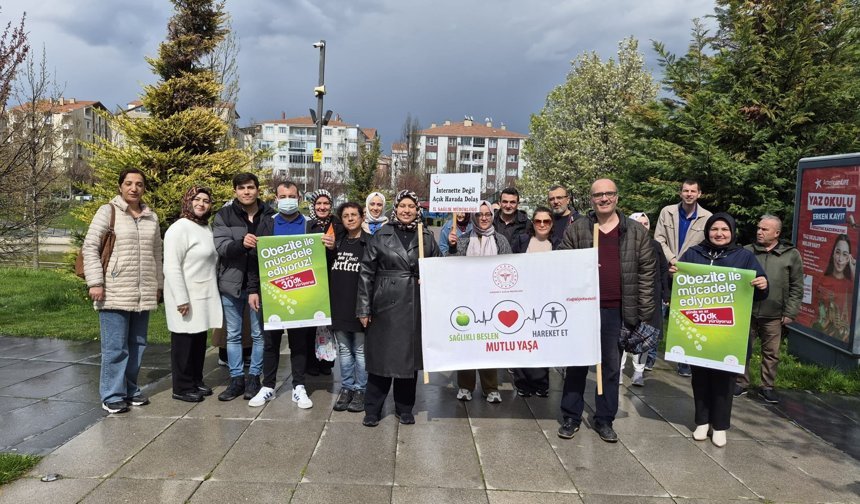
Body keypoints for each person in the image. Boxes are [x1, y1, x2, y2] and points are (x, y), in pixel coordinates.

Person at [557, 179, 655, 442]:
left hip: (617, 310)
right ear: (591, 199)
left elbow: (646, 273)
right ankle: (570, 415)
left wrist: (642, 314)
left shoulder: (635, 232)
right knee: (577, 365)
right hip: (582, 309)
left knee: (611, 367)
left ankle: (604, 419)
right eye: (598, 194)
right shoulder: (578, 229)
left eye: (608, 194)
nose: (604, 199)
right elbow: (562, 265)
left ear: (616, 197)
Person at [672, 213, 768, 447]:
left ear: (732, 232)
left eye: (724, 229)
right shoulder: (694, 253)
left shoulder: (744, 257)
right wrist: (673, 275)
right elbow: (677, 285)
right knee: (700, 378)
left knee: (725, 380)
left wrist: (763, 284)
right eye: (714, 229)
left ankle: (721, 425)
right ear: (707, 231)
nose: (719, 233)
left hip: (729, 331)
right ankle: (702, 421)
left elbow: (760, 288)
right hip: (699, 327)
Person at [357, 190, 440, 426]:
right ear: (395, 208)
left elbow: (438, 266)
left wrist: (430, 277)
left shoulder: (426, 237)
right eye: (402, 205)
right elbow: (366, 273)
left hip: (413, 304)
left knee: (408, 361)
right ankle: (372, 409)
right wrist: (364, 308)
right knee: (381, 361)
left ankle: (405, 408)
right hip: (385, 305)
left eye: (411, 206)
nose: (406, 210)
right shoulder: (382, 235)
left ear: (417, 209)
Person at [83, 168, 162, 414]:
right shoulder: (108, 212)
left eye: (139, 184)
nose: (134, 188)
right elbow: (90, 247)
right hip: (114, 290)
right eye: (128, 183)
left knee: (137, 344)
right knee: (115, 347)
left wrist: (158, 285)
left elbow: (157, 254)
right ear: (120, 187)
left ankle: (130, 389)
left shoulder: (152, 217)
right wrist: (96, 282)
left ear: (144, 188)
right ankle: (112, 394)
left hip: (143, 292)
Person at [247, 181, 315, 408]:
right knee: (270, 343)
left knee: (299, 343)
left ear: (300, 198)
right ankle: (268, 386)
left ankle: (299, 386)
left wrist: (329, 246)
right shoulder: (266, 223)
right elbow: (256, 260)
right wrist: (253, 290)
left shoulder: (310, 224)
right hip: (272, 293)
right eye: (283, 196)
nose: (288, 199)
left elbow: (318, 260)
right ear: (276, 199)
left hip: (301, 293)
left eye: (292, 195)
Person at [213, 172, 273, 402]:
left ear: (258, 189)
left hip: (261, 284)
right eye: (241, 188)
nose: (246, 192)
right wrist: (241, 244)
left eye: (250, 187)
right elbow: (222, 247)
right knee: (234, 334)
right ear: (235, 191)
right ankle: (236, 378)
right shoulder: (225, 215)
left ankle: (254, 377)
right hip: (232, 283)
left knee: (259, 334)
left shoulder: (270, 214)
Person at [163, 186, 222, 403]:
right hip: (186, 295)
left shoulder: (205, 227)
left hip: (203, 294)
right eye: (197, 199)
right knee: (183, 343)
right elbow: (171, 266)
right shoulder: (179, 228)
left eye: (206, 200)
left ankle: (196, 380)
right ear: (188, 201)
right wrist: (181, 298)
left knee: (198, 340)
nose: (201, 204)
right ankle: (181, 386)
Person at [736, 215, 803, 403]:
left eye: (765, 229)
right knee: (743, 348)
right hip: (747, 311)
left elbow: (797, 286)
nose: (759, 232)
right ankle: (741, 382)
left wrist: (790, 312)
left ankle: (767, 386)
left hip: (774, 312)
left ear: (777, 233)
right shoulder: (747, 251)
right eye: (759, 228)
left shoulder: (791, 254)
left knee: (771, 353)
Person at [451, 201, 511, 404]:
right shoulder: (463, 240)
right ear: (474, 217)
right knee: (466, 344)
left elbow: (509, 267)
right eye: (479, 214)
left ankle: (490, 388)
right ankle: (465, 386)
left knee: (489, 344)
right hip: (466, 300)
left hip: (492, 302)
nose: (483, 218)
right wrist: (451, 249)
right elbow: (451, 267)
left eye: (487, 214)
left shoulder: (500, 240)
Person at [654, 179, 712, 377]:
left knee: (687, 319)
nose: (689, 194)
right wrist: (672, 259)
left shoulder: (707, 217)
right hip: (666, 268)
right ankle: (649, 359)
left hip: (689, 274)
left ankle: (685, 362)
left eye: (693, 191)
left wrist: (684, 265)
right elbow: (659, 239)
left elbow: (706, 245)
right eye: (685, 191)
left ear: (699, 194)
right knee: (658, 314)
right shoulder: (667, 212)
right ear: (680, 193)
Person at [329, 202, 369, 412]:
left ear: (362, 217)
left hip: (360, 308)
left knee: (361, 352)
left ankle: (361, 389)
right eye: (346, 216)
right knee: (344, 351)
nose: (350, 219)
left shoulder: (369, 243)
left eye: (354, 215)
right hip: (339, 306)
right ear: (341, 220)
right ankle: (347, 388)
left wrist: (368, 308)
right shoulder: (336, 243)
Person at [509, 206, 554, 395]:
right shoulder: (522, 241)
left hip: (546, 299)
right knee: (521, 341)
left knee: (542, 343)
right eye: (538, 221)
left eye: (546, 221)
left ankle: (541, 383)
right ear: (533, 223)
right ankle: (522, 383)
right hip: (522, 299)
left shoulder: (558, 244)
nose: (542, 224)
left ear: (551, 224)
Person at [621, 212, 669, 386]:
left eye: (646, 223)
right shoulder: (623, 243)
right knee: (622, 335)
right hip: (626, 296)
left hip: (650, 298)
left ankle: (638, 372)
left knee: (645, 335)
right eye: (638, 223)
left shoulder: (655, 245)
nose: (643, 227)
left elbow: (663, 270)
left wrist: (665, 293)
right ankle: (618, 371)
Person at [303, 189, 340, 376]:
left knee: (327, 323)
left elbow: (342, 250)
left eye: (326, 203)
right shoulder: (307, 226)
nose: (322, 207)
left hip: (332, 280)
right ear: (313, 206)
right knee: (311, 324)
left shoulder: (338, 225)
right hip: (312, 282)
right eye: (319, 204)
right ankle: (311, 361)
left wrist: (334, 247)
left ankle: (327, 361)